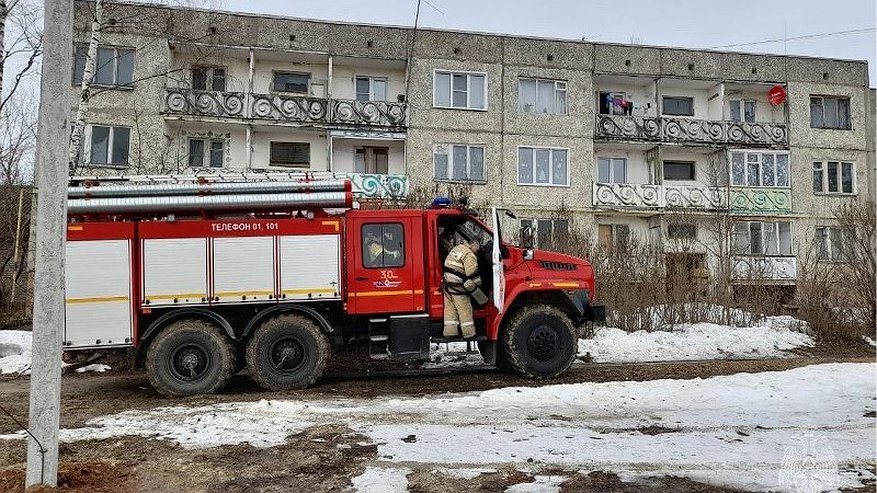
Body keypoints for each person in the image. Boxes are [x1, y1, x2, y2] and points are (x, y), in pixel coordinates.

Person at [442, 238, 488, 339]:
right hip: (457, 286)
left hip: (447, 284)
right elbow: (471, 273)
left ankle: (450, 333)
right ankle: (469, 333)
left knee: (450, 310)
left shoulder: (458, 248)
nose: (477, 250)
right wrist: (479, 285)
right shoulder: (469, 255)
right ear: (473, 245)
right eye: (477, 248)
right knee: (465, 309)